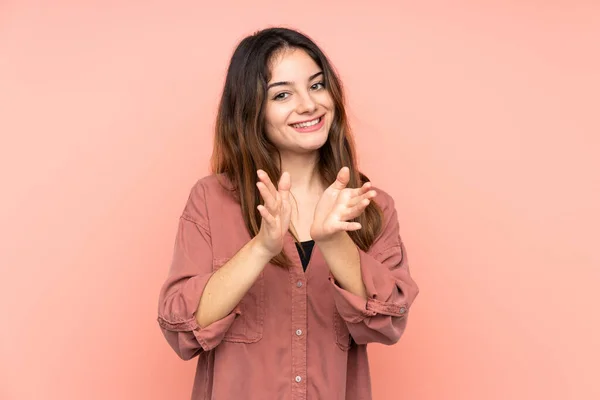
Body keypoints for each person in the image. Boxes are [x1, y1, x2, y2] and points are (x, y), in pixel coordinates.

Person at [157, 27, 419, 400]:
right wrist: (262, 247)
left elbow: (387, 321)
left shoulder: (369, 205)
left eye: (316, 86)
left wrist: (333, 240)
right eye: (282, 94)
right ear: (251, 111)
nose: (309, 105)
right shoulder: (210, 199)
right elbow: (183, 327)